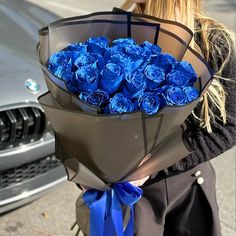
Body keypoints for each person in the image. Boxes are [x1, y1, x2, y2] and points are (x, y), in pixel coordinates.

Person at [120, 0, 236, 235]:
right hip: (129, 194)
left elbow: (229, 125)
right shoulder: (118, 29)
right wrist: (91, 168)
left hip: (187, 190)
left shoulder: (213, 43)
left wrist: (151, 168)